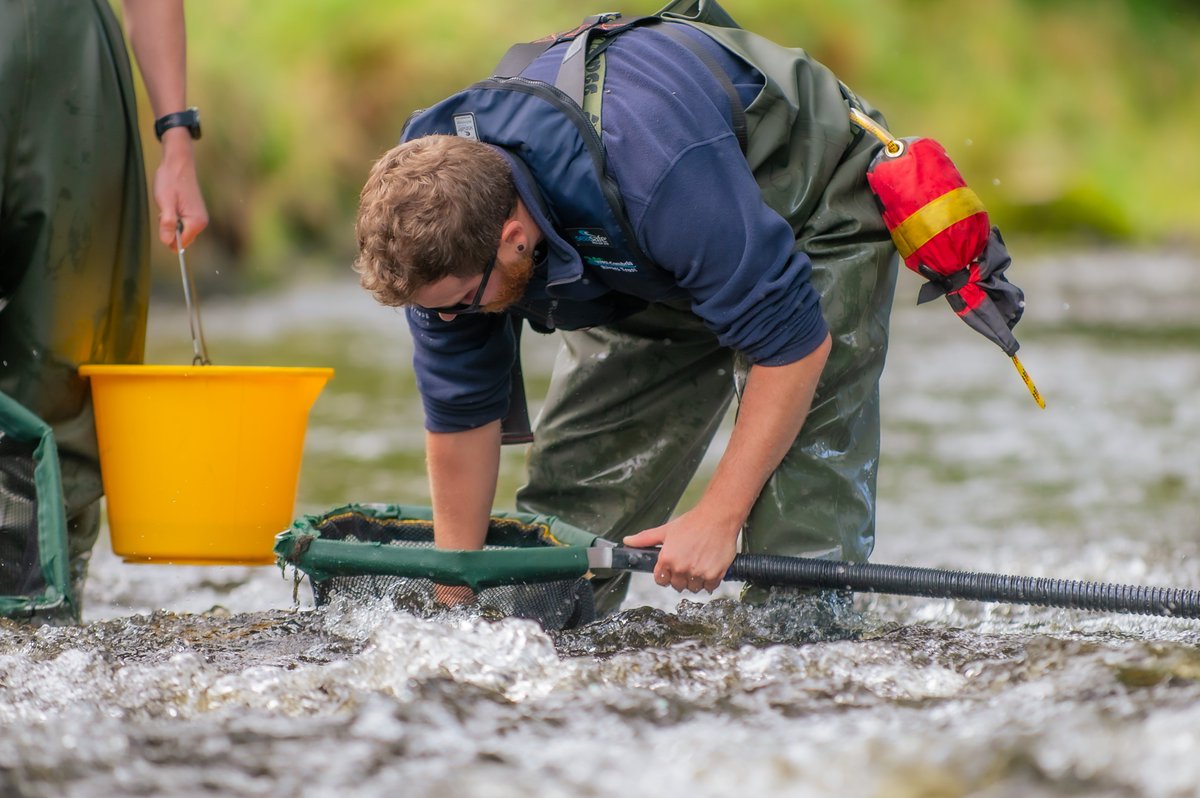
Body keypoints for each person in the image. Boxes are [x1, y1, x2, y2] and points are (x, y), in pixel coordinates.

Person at [353, 0, 898, 615]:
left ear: (513, 239)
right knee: (555, 557)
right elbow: (459, 413)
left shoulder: (655, 170)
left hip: (808, 206)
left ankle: (804, 661)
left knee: (797, 556)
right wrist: (455, 592)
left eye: (458, 305)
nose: (446, 321)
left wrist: (718, 516)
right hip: (641, 256)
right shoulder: (434, 225)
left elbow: (794, 345)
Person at [0, 0, 208, 621]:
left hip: (74, 71)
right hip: (75, 69)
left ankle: (34, 629)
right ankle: (37, 626)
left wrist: (177, 137)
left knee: (68, 369)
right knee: (65, 371)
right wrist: (175, 138)